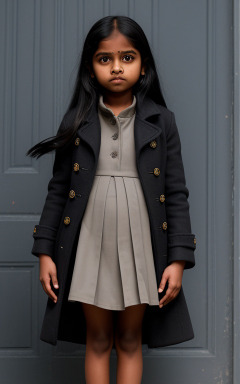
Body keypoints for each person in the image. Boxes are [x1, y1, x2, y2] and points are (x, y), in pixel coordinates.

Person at [26, 15, 196, 384]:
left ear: (143, 65)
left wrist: (178, 259)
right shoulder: (76, 121)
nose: (117, 67)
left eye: (127, 57)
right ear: (91, 68)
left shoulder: (162, 121)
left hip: (142, 243)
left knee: (131, 338)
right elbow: (58, 189)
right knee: (98, 338)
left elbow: (176, 192)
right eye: (105, 59)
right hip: (89, 242)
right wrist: (45, 253)